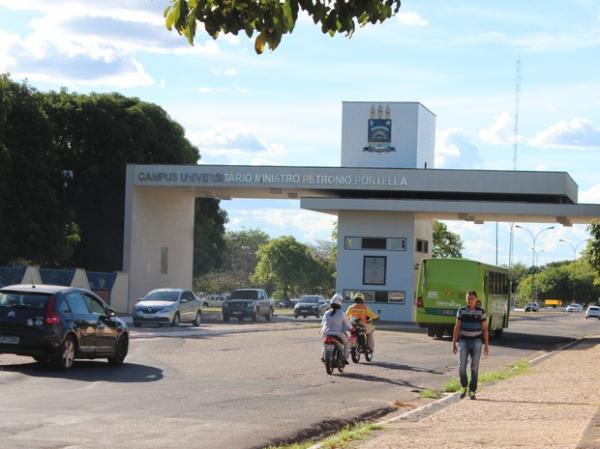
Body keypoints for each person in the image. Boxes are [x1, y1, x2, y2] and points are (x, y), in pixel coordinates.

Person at [452, 290, 490, 400]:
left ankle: (472, 391)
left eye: (472, 299)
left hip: (477, 342)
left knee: (474, 368)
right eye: (468, 299)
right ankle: (464, 386)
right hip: (463, 341)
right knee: (462, 367)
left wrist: (486, 345)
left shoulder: (481, 312)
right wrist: (453, 343)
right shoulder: (461, 311)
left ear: (476, 300)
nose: (470, 301)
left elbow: (485, 329)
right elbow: (457, 327)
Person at [321, 294, 352, 364]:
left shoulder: (326, 313)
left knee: (325, 344)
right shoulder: (341, 313)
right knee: (346, 343)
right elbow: (348, 324)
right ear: (340, 303)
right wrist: (351, 328)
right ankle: (344, 358)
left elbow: (322, 323)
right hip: (338, 334)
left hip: (326, 333)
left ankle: (323, 356)